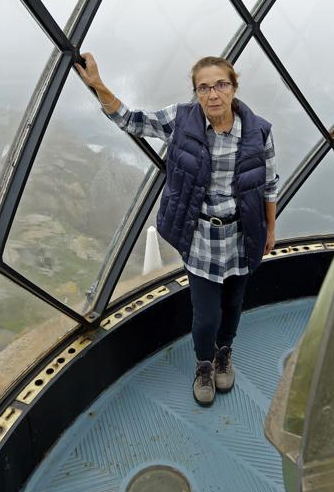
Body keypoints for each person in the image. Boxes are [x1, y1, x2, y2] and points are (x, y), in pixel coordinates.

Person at [75, 53, 278, 406]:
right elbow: (133, 121)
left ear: (234, 87)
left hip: (243, 236)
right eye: (204, 87)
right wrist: (98, 85)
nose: (213, 94)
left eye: (220, 85)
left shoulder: (260, 131)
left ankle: (224, 354)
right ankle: (204, 365)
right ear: (196, 92)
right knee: (206, 314)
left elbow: (270, 186)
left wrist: (270, 230)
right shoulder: (181, 120)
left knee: (233, 306)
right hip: (201, 238)